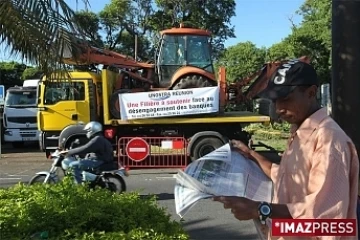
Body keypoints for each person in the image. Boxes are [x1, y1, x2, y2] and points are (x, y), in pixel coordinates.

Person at [213, 60, 359, 240]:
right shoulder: (300, 130)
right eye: (275, 100)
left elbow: (325, 220)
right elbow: (283, 175)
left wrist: (259, 209)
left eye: (286, 99)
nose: (278, 109)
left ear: (311, 93)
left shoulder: (328, 140)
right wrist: (251, 155)